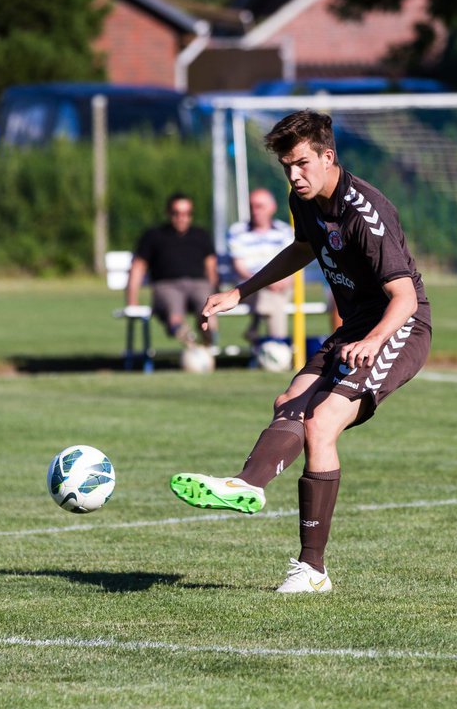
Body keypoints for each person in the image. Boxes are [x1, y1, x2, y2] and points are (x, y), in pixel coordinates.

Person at [168, 110, 432, 593]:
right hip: (357, 326)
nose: (294, 175)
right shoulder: (303, 197)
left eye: (302, 164)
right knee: (289, 402)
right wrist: (240, 292)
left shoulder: (364, 213)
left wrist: (373, 343)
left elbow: (406, 298)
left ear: (328, 157)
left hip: (399, 327)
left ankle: (313, 570)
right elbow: (303, 248)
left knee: (322, 421)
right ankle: (248, 483)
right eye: (287, 166)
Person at [126, 193, 218, 347]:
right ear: (168, 213)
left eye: (187, 213)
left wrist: (216, 292)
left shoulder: (200, 235)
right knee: (173, 308)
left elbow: (211, 267)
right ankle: (187, 339)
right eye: (177, 213)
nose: (182, 217)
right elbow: (138, 267)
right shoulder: (154, 236)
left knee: (207, 307)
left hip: (198, 284)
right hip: (167, 285)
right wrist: (132, 300)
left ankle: (209, 341)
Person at [227, 188, 295, 343]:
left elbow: (293, 264)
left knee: (273, 297)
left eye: (260, 206)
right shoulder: (237, 231)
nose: (255, 211)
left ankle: (257, 331)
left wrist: (283, 281)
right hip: (249, 287)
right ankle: (278, 345)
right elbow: (240, 267)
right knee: (273, 301)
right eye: (252, 206)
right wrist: (265, 281)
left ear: (272, 207)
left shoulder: (285, 231)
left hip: (281, 285)